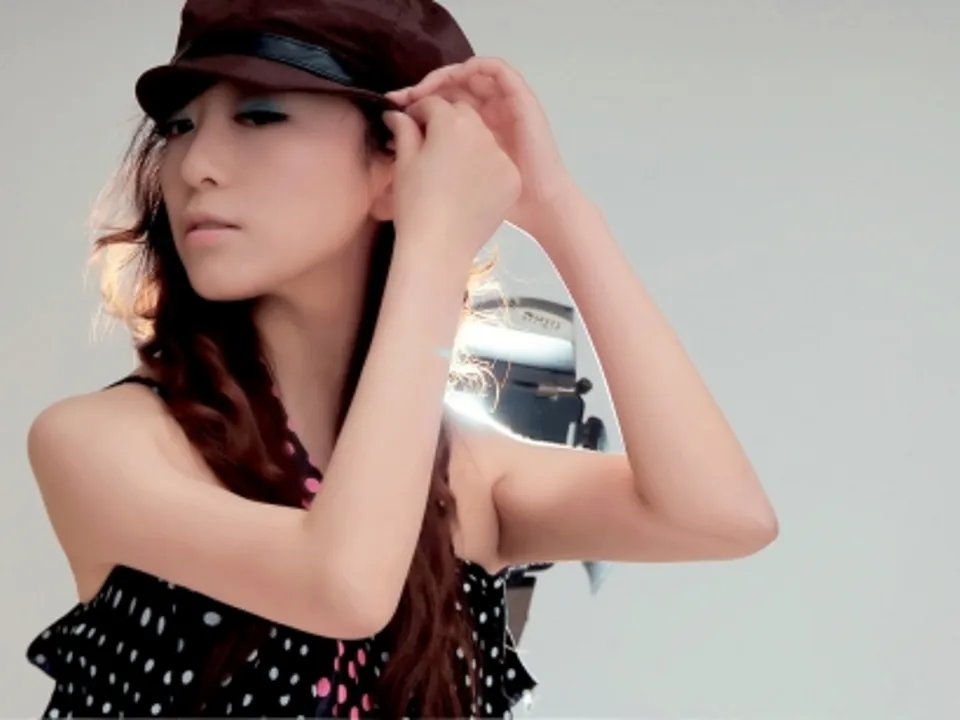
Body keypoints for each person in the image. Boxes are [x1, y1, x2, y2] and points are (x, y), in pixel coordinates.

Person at [24, 0, 779, 717]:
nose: (196, 165)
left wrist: (555, 207)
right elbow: (346, 585)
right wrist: (436, 241)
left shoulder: (468, 475)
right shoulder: (102, 441)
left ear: (396, 165)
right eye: (179, 128)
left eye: (260, 115)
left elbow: (721, 516)